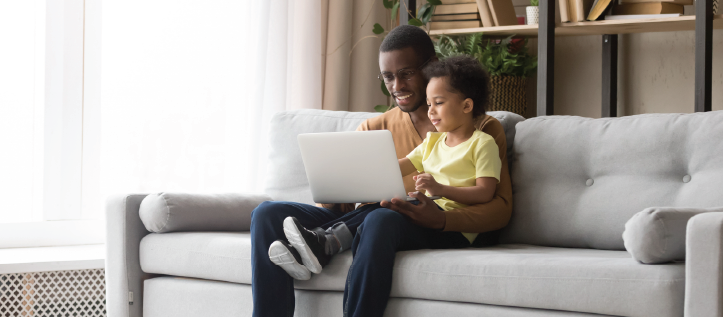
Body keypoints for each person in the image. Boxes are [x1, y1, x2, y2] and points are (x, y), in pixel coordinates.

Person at [250, 25, 513, 317]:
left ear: (432, 67)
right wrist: (336, 186)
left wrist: (442, 219)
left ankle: (325, 247)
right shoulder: (374, 128)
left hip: (404, 220)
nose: (397, 85)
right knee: (266, 214)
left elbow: (500, 208)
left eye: (407, 73)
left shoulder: (481, 129)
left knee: (380, 217)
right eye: (388, 76)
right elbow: (343, 203)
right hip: (361, 217)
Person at [280, 54, 501, 276]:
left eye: (439, 103)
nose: (431, 111)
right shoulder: (432, 141)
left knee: (386, 212)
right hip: (427, 210)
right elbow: (396, 167)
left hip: (456, 228)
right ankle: (321, 241)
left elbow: (485, 192)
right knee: (385, 204)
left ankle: (323, 242)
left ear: (467, 106)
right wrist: (349, 171)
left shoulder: (483, 143)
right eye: (429, 104)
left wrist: (441, 189)